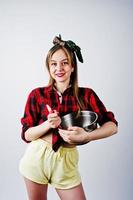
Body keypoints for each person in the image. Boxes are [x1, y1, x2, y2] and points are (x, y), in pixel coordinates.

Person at [19, 35, 118, 200]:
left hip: (66, 162)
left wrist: (87, 136)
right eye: (54, 64)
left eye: (65, 63)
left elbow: (112, 126)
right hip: (37, 159)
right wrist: (48, 125)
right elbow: (26, 135)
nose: (59, 68)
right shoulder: (37, 95)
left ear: (73, 67)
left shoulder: (86, 95)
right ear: (48, 67)